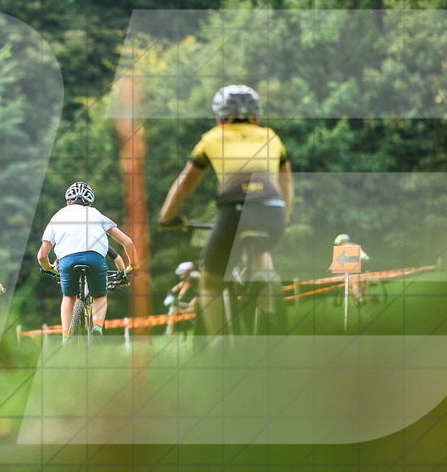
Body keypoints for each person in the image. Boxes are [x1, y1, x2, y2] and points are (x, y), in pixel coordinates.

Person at [158, 85, 293, 337]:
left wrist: (168, 216)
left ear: (220, 118)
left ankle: (220, 345)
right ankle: (269, 316)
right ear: (256, 117)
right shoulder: (270, 136)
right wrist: (285, 216)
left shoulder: (212, 138)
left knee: (210, 280)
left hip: (235, 211)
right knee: (260, 255)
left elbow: (186, 181)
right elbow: (286, 182)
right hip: (273, 211)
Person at [37, 181, 138, 340]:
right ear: (89, 203)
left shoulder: (57, 216)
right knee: (99, 296)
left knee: (68, 296)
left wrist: (48, 267)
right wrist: (134, 266)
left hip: (66, 260)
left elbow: (42, 256)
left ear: (68, 202)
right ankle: (97, 327)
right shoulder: (97, 214)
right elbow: (128, 243)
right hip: (95, 258)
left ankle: (65, 337)